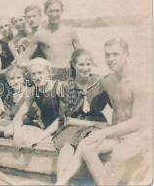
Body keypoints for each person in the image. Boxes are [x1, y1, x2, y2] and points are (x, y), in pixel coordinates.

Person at [27, 49, 110, 185]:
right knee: (66, 147)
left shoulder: (100, 82)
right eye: (81, 65)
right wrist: (41, 136)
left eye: (88, 64)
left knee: (88, 141)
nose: (85, 68)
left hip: (96, 123)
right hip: (72, 125)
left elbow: (116, 106)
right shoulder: (66, 86)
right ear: (73, 65)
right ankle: (62, 182)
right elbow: (64, 119)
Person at [72, 38, 147, 185]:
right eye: (107, 55)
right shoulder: (107, 81)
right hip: (117, 133)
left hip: (138, 134)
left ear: (127, 54)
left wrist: (105, 132)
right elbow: (112, 108)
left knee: (118, 156)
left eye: (115, 54)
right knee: (87, 147)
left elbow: (139, 121)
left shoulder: (139, 81)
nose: (110, 59)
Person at [12, 58, 68, 148]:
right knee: (9, 132)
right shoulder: (33, 90)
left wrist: (40, 137)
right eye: (33, 74)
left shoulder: (59, 87)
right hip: (45, 129)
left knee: (35, 141)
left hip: (61, 129)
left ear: (49, 73)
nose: (37, 77)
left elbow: (62, 119)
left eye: (40, 73)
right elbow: (19, 116)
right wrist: (17, 131)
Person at [22, 0, 82, 80]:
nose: (54, 14)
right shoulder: (40, 35)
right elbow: (25, 58)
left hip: (71, 73)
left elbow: (81, 54)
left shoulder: (70, 32)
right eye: (51, 11)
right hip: (52, 74)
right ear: (45, 12)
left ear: (62, 11)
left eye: (57, 11)